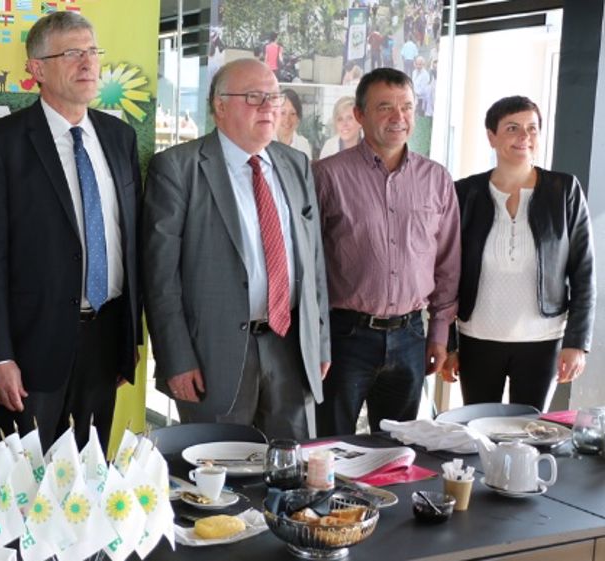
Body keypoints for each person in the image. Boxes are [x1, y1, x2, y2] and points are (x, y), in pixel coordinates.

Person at [0, 11, 140, 451]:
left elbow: (130, 240)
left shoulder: (119, 137)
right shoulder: (0, 144)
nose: (88, 63)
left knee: (92, 479)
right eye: (72, 53)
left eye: (92, 51)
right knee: (26, 488)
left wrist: (127, 341)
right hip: (29, 348)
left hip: (105, 339)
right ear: (37, 69)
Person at [142, 58, 331, 440]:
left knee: (290, 473)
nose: (268, 107)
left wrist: (320, 340)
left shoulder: (295, 164)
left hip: (291, 345)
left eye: (273, 97)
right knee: (218, 477)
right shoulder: (178, 168)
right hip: (214, 353)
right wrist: (177, 358)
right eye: (253, 97)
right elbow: (161, 278)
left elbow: (313, 261)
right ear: (220, 106)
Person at [313, 68, 459, 435]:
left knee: (400, 452)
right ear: (360, 115)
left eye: (407, 107)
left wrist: (439, 332)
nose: (399, 117)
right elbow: (306, 265)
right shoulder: (326, 176)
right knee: (331, 448)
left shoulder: (436, 178)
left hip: (411, 335)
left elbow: (447, 263)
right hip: (344, 336)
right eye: (385, 108)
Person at [443, 96, 594, 410]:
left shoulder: (564, 191)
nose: (524, 136)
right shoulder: (464, 193)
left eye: (532, 128)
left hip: (543, 341)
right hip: (477, 339)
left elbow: (584, 273)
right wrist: (448, 344)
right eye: (513, 128)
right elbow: (445, 274)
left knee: (529, 434)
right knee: (478, 435)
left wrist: (577, 343)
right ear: (492, 136)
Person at [276, 89, 312, 159]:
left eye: (292, 114)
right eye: (283, 113)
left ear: (298, 118)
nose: (287, 120)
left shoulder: (303, 144)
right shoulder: (265, 143)